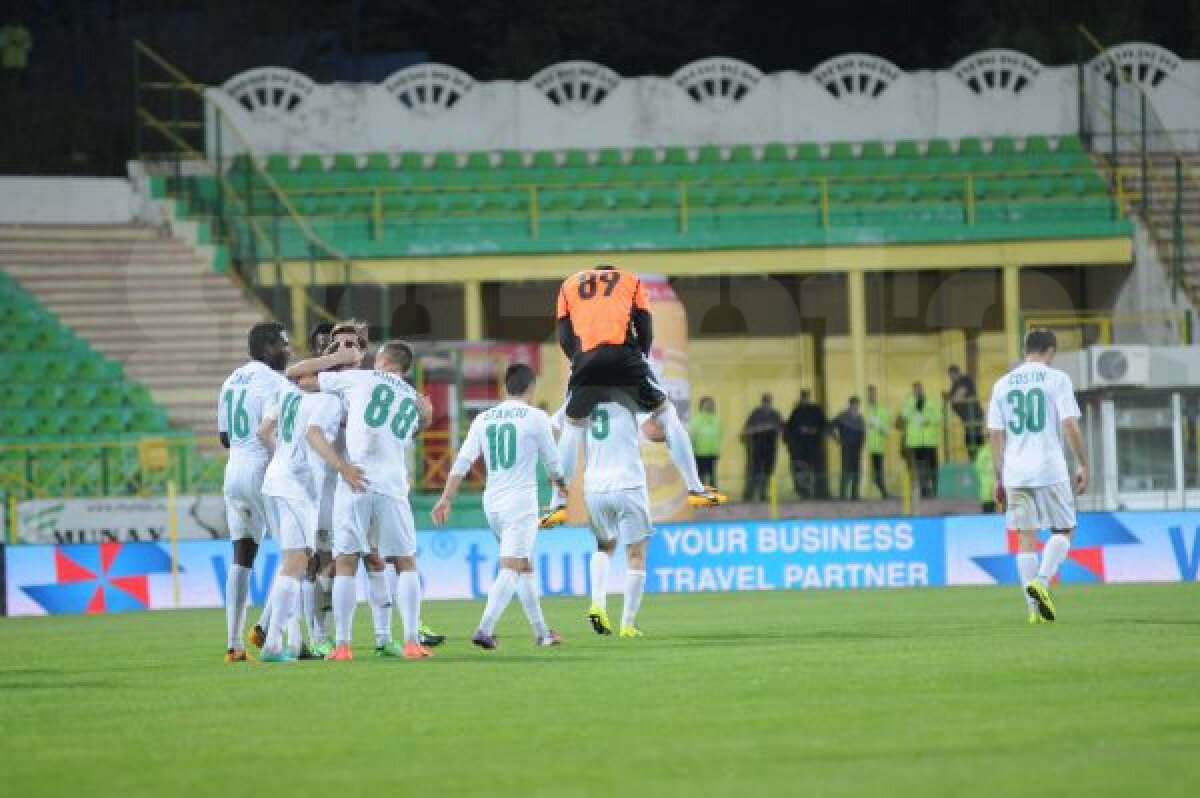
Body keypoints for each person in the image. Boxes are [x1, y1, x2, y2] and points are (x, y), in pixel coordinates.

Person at [545, 264, 723, 526]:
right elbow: (644, 323)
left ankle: (557, 504)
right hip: (624, 357)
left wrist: (580, 361)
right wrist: (639, 359)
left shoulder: (568, 285)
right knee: (669, 415)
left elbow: (563, 334)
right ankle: (695, 488)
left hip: (586, 361)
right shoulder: (630, 280)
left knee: (572, 428)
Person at [304, 340, 434, 660]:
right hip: (393, 484)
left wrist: (333, 360)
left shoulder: (361, 377)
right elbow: (411, 429)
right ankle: (411, 641)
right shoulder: (411, 397)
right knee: (405, 562)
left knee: (346, 562)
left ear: (382, 360)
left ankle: (343, 646)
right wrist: (426, 418)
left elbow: (302, 379)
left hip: (357, 478)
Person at [432, 363, 567, 649]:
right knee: (511, 568)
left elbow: (463, 461)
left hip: (492, 503)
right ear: (531, 388)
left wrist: (446, 497)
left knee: (524, 566)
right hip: (520, 503)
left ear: (507, 387)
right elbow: (553, 462)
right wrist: (562, 486)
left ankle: (542, 633)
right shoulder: (536, 417)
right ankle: (484, 628)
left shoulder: (484, 419)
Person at [987, 328, 1089, 624]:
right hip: (1049, 468)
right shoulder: (1057, 379)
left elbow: (995, 434)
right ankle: (1042, 582)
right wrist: (1083, 464)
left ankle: (1034, 612)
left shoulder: (1002, 384)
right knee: (1065, 529)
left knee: (1025, 539)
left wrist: (999, 477)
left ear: (1025, 349)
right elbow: (1070, 426)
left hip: (1015, 472)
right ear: (1051, 351)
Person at [216, 321, 293, 662]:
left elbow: (224, 437)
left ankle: (234, 645)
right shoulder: (274, 382)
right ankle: (263, 628)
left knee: (242, 556)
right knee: (296, 552)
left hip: (233, 472)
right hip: (263, 471)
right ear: (267, 348)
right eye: (283, 345)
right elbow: (268, 431)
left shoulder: (231, 380)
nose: (288, 351)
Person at [256, 367, 345, 662]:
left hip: (274, 481)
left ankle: (285, 640)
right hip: (298, 487)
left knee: (294, 561)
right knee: (296, 563)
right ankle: (272, 643)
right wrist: (341, 467)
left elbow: (264, 431)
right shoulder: (329, 401)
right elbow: (314, 435)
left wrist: (282, 455)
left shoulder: (289, 392)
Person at [580, 399, 655, 638]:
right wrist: (667, 417)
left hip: (594, 487)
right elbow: (653, 431)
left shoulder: (582, 396)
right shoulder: (629, 395)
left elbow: (561, 425)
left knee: (604, 546)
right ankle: (628, 624)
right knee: (635, 553)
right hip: (627, 484)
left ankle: (598, 604)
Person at [899, 381, 941, 499]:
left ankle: (934, 490)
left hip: (929, 441)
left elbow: (938, 416)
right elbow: (904, 415)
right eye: (915, 390)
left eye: (919, 389)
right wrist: (913, 404)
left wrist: (928, 419)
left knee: (932, 467)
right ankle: (922, 490)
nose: (918, 391)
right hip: (915, 442)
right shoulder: (908, 402)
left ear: (923, 389)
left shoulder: (931, 402)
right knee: (917, 468)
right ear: (913, 391)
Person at [785, 390, 828, 499]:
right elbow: (790, 428)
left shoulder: (816, 410)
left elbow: (824, 424)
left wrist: (815, 430)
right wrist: (799, 432)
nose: (804, 399)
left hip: (814, 445)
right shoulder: (796, 411)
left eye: (806, 397)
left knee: (818, 469)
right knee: (801, 470)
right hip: (800, 447)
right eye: (803, 397)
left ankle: (820, 493)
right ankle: (804, 493)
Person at [740, 394, 783, 502]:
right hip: (757, 448)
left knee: (769, 472)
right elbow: (746, 431)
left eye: (768, 402)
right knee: (755, 471)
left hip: (771, 448)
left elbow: (781, 429)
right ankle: (750, 495)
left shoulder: (775, 415)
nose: (767, 404)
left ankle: (764, 494)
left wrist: (773, 428)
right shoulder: (756, 414)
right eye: (765, 402)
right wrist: (763, 428)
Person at [829, 397, 865, 500]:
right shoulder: (842, 416)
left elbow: (863, 434)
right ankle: (843, 495)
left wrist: (861, 447)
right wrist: (837, 439)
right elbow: (829, 427)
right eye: (853, 405)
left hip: (857, 449)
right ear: (849, 405)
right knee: (846, 471)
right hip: (846, 448)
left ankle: (855, 494)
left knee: (856, 471)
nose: (855, 408)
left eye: (857, 406)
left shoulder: (860, 418)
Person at [947, 365, 985, 460]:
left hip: (973, 417)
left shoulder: (965, 380)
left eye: (952, 375)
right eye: (950, 376)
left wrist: (951, 398)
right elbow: (953, 399)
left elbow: (957, 398)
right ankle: (976, 462)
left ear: (957, 372)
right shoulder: (955, 384)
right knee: (971, 442)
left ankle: (980, 463)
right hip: (968, 419)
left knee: (974, 441)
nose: (951, 378)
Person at [689, 396, 722, 488]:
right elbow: (692, 434)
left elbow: (719, 435)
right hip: (699, 452)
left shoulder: (717, 419)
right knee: (700, 476)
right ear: (701, 405)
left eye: (711, 404)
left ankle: (713, 498)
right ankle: (700, 496)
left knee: (712, 476)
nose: (709, 406)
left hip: (712, 452)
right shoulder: (696, 419)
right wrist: (693, 449)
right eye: (707, 404)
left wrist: (717, 449)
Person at [864, 385, 890, 499]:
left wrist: (878, 425)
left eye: (873, 393)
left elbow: (887, 430)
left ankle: (883, 492)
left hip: (878, 447)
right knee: (868, 472)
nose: (871, 396)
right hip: (865, 448)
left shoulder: (882, 410)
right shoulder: (863, 410)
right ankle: (866, 493)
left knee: (878, 472)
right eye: (869, 394)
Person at [974, 442, 995, 513]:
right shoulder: (984, 452)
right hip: (988, 493)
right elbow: (978, 467)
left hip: (998, 491)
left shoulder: (1005, 450)